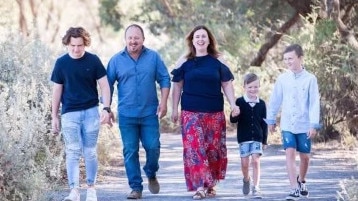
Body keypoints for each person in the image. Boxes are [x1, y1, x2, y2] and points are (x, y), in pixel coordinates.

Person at [171, 25, 239, 200]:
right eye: (197, 37)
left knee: (213, 150)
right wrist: (174, 109)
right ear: (192, 41)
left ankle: (210, 185)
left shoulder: (218, 60)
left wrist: (233, 105)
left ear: (209, 40)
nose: (200, 39)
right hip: (190, 112)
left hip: (214, 112)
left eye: (203, 36)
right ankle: (200, 186)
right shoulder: (184, 61)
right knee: (195, 149)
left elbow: (227, 84)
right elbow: (177, 85)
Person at [106, 24, 171, 200]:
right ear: (125, 39)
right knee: (130, 150)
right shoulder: (116, 60)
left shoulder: (153, 57)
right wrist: (107, 108)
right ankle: (136, 187)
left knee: (153, 147)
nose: (133, 41)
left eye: (137, 37)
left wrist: (164, 103)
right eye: (130, 38)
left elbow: (165, 79)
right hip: (127, 115)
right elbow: (107, 85)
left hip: (150, 113)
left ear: (143, 39)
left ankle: (151, 172)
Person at [51, 27, 113, 201]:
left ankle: (91, 189)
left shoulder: (93, 61)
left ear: (85, 43)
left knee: (90, 152)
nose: (76, 49)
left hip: (91, 112)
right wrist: (54, 116)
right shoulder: (61, 63)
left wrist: (106, 108)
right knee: (72, 151)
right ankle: (74, 191)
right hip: (69, 114)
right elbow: (56, 91)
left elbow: (105, 86)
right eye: (73, 45)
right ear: (67, 44)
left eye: (80, 45)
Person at [266, 44, 320, 201]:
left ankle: (301, 181)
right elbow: (275, 100)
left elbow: (314, 103)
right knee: (289, 153)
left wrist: (313, 124)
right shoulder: (283, 79)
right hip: (287, 124)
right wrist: (271, 119)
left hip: (304, 124)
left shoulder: (310, 79)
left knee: (305, 157)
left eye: (291, 58)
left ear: (300, 58)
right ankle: (294, 188)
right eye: (285, 59)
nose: (288, 62)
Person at [230, 73, 267, 199]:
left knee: (256, 161)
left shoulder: (261, 104)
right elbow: (233, 121)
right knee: (245, 164)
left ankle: (256, 187)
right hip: (244, 138)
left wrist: (264, 140)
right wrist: (234, 114)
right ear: (244, 87)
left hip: (257, 137)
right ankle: (246, 179)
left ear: (259, 87)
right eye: (250, 87)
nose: (253, 89)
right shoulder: (240, 101)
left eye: (256, 87)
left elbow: (264, 123)